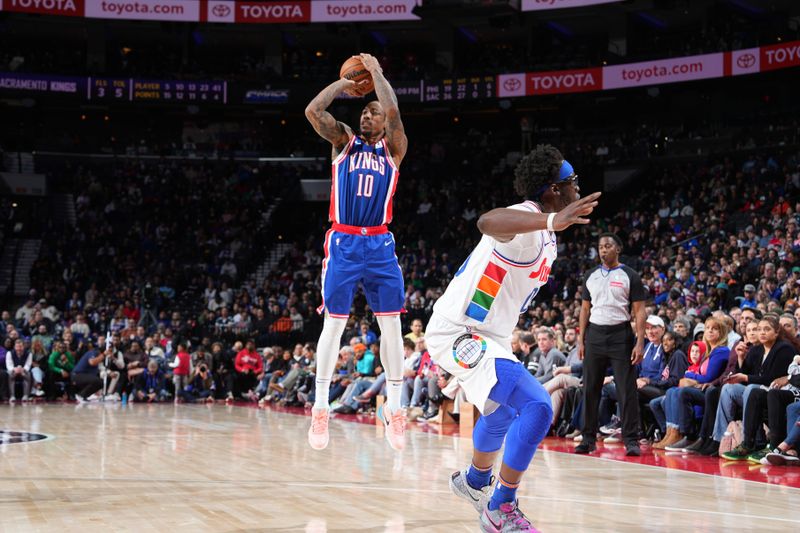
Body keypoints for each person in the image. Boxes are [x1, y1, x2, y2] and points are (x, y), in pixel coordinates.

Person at [425, 144, 600, 531]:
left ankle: (474, 484)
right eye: (572, 183)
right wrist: (552, 220)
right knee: (538, 407)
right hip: (460, 331)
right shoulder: (531, 217)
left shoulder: (546, 235)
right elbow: (487, 222)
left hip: (489, 334)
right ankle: (500, 506)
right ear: (553, 190)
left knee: (502, 411)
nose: (578, 188)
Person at [305, 53, 409, 451]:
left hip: (380, 243)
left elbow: (395, 110)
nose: (367, 117)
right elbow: (314, 110)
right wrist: (344, 85)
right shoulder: (344, 142)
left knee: (393, 326)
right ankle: (320, 407)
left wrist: (378, 73)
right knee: (333, 324)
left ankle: (396, 408)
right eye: (363, 112)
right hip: (345, 241)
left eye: (373, 113)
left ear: (384, 123)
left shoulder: (394, 149)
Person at [576, 233, 647, 456]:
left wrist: (640, 342)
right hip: (595, 334)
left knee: (627, 389)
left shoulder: (630, 275)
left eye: (607, 246)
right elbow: (585, 309)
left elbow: (639, 311)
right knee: (589, 388)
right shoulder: (590, 275)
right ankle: (588, 438)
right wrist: (581, 339)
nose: (603, 250)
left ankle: (631, 439)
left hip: (621, 335)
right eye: (600, 247)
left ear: (618, 249)